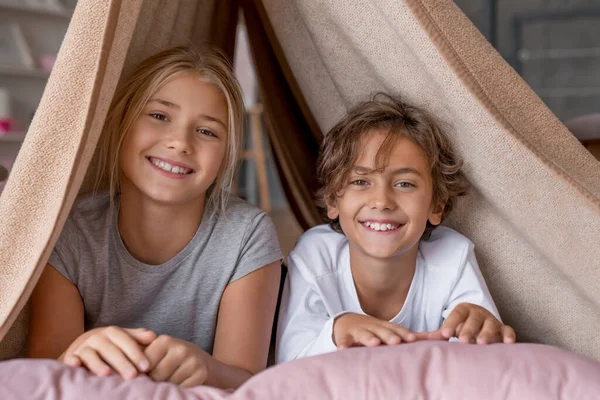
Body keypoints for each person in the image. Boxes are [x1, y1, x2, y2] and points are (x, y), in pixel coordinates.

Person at [27, 46, 283, 389]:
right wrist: (76, 352)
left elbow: (248, 382)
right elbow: (40, 377)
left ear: (226, 157)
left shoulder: (246, 234)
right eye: (159, 116)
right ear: (122, 125)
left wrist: (206, 368)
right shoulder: (70, 232)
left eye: (207, 131)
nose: (179, 143)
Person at [276, 94, 515, 363]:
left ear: (436, 205)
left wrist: (482, 332)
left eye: (404, 184)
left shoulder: (452, 256)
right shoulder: (315, 257)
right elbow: (289, 362)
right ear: (332, 200)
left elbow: (479, 352)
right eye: (360, 181)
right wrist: (336, 331)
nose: (381, 201)